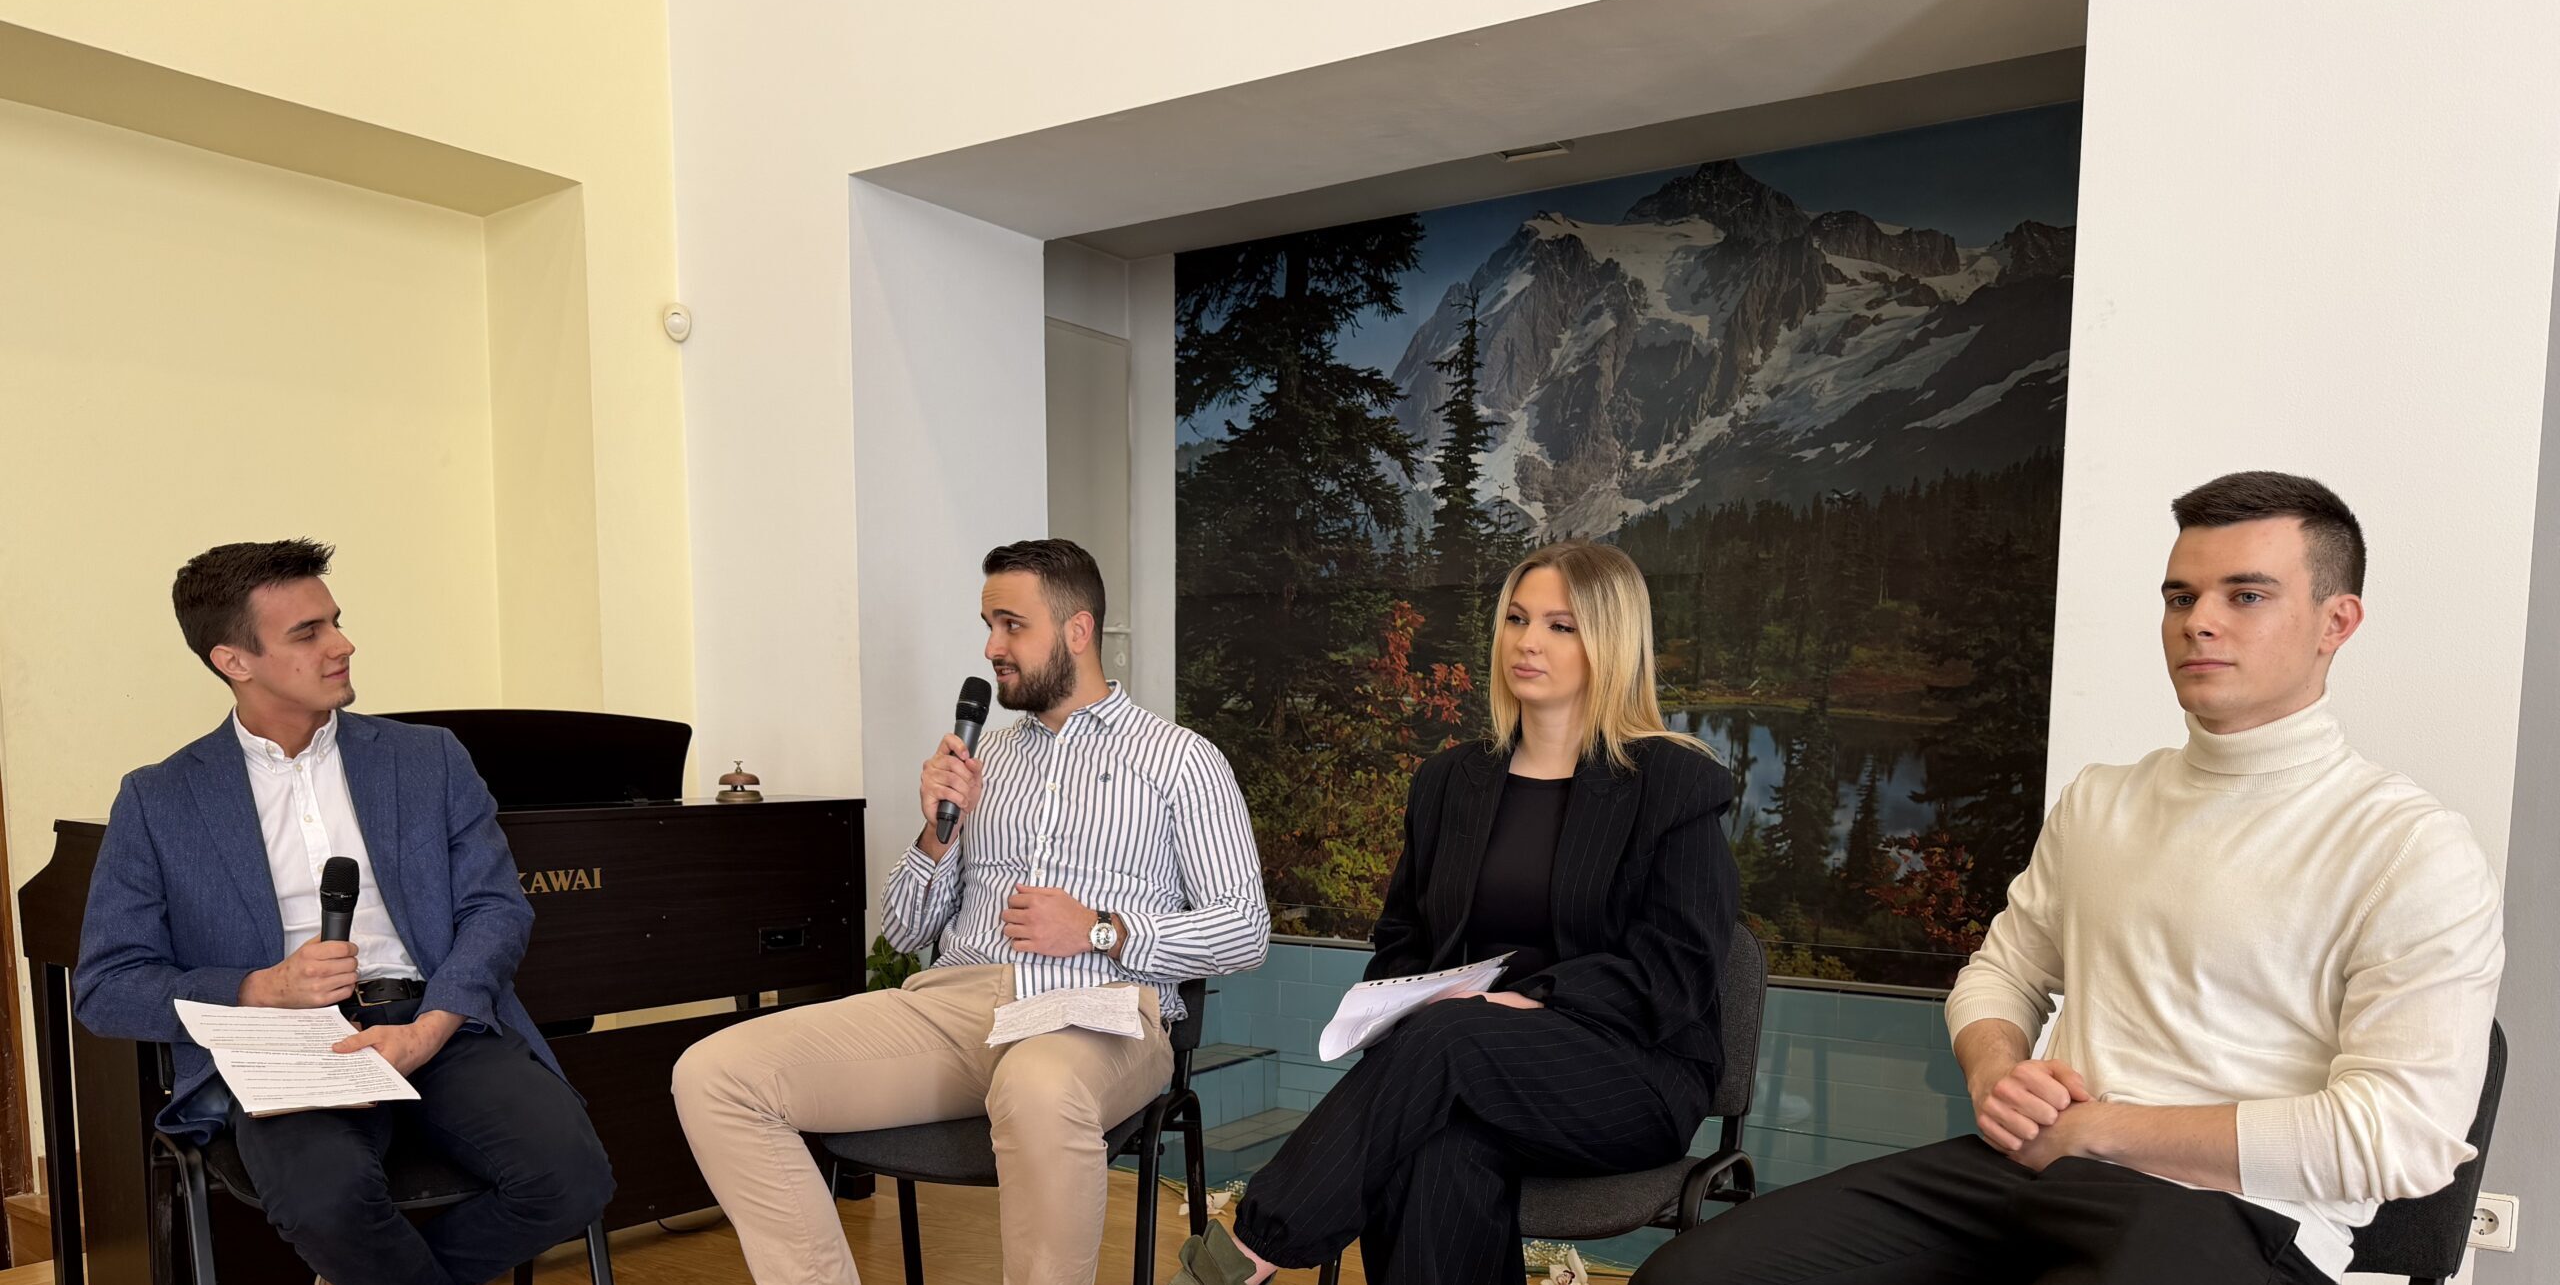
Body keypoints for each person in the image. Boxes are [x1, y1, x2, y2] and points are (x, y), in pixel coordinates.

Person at [1634, 471, 2505, 1285]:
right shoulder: (2102, 801)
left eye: (2246, 595)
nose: (2199, 622)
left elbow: (2403, 1137)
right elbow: (2000, 975)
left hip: (2240, 1212)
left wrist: (2105, 1129)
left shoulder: (2410, 849)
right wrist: (1995, 1072)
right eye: (2181, 596)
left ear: (2335, 622)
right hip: (2027, 1170)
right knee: (1693, 1276)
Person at [674, 538, 1270, 1285]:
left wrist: (1099, 928)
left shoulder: (1181, 761)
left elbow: (1245, 930)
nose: (992, 648)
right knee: (715, 1075)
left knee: (1038, 1086)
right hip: (956, 1009)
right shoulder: (983, 764)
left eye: (1012, 625)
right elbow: (904, 930)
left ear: (1077, 630)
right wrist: (937, 829)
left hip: (1097, 1012)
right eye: (989, 625)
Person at [1174, 539, 1741, 1285]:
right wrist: (1407, 999)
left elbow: (1677, 971)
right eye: (1516, 618)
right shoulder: (1449, 781)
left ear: (1611, 643)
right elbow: (1403, 939)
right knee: (1439, 1152)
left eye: (1560, 626)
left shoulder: (1671, 782)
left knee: (1451, 1038)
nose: (1527, 642)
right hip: (1463, 1071)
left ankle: (1252, 1248)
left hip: (1627, 1077)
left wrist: (1530, 1000)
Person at [74, 539, 613, 1285]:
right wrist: (262, 987)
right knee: (327, 1203)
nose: (342, 644)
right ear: (234, 660)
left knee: (572, 1179)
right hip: (285, 1044)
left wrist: (429, 1029)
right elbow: (107, 987)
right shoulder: (158, 798)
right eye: (308, 633)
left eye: (335, 620)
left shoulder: (428, 758)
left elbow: (496, 908)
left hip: (437, 1017)